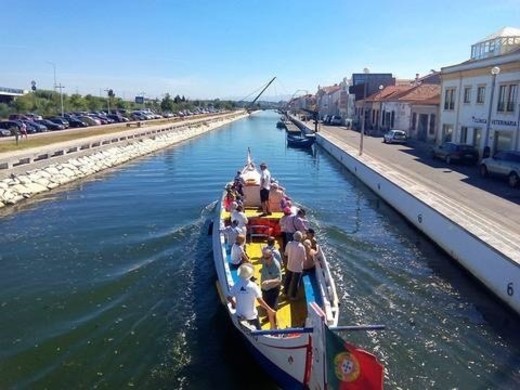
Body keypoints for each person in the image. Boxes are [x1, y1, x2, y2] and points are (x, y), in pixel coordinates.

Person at [227, 263, 276, 330]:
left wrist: (235, 305)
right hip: (252, 316)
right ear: (250, 275)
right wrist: (270, 310)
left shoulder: (236, 285)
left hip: (240, 315)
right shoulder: (253, 286)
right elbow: (260, 301)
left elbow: (229, 297)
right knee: (259, 332)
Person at [283, 231, 306, 300]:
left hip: (289, 265)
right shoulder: (302, 247)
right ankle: (293, 296)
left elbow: (286, 254)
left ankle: (285, 293)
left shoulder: (289, 244)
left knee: (288, 280)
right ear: (300, 238)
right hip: (298, 267)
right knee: (295, 282)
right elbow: (304, 258)